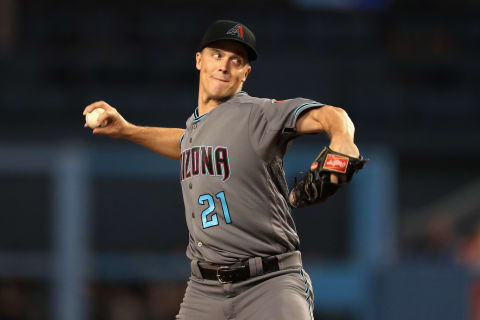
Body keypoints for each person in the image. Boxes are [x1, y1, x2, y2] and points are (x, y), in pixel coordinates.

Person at [83, 20, 360, 320]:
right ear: (199, 60)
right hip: (204, 291)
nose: (225, 66)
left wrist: (343, 139)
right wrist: (128, 131)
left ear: (245, 73)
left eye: (236, 60)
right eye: (217, 55)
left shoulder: (258, 114)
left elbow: (332, 116)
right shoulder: (196, 129)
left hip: (269, 283)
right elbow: (185, 144)